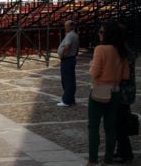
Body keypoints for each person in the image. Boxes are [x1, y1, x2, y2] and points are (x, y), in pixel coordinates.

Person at [86, 21, 130, 166]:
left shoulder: (101, 49)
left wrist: (91, 65)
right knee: (110, 128)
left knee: (93, 126)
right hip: (115, 92)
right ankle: (108, 161)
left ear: (107, 34)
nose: (99, 34)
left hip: (99, 91)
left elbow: (94, 72)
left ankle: (92, 161)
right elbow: (125, 76)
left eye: (101, 32)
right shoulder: (120, 50)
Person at [114, 25, 136, 164]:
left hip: (123, 93)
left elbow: (125, 75)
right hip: (126, 92)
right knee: (119, 123)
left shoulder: (123, 52)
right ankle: (122, 151)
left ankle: (126, 154)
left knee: (119, 124)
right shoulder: (125, 50)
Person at [57, 20, 79, 107]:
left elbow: (67, 46)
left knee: (67, 80)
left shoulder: (70, 35)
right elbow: (77, 47)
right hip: (71, 58)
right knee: (70, 80)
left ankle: (67, 100)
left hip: (67, 59)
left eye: (66, 26)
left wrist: (62, 55)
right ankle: (70, 99)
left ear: (71, 26)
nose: (65, 27)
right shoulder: (75, 35)